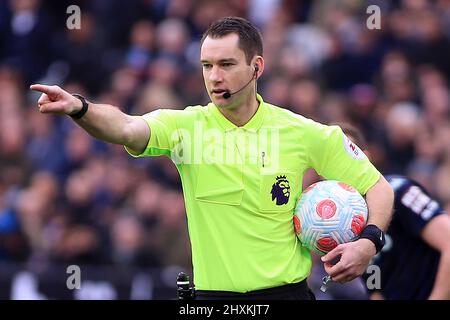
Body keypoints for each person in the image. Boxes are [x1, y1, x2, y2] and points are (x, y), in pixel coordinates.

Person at [30, 16, 394, 300]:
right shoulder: (185, 127)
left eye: (226, 64)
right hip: (211, 300)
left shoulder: (303, 132)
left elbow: (378, 187)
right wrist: (80, 107)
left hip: (287, 295)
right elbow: (125, 128)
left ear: (257, 67)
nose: (214, 77)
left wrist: (368, 243)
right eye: (206, 66)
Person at [340, 123, 450, 300]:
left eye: (344, 156)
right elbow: (375, 288)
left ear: (365, 158)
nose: (339, 168)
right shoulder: (344, 226)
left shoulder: (399, 191)